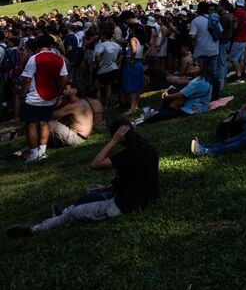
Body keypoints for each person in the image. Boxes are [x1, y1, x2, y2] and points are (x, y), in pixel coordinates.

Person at [6, 120, 159, 239]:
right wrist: (108, 187)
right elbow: (138, 178)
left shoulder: (127, 155)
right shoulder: (150, 151)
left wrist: (113, 142)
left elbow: (95, 164)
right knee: (93, 191)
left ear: (119, 137)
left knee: (74, 214)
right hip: (142, 198)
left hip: (124, 206)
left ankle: (34, 229)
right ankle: (65, 210)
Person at [20, 34, 68, 162]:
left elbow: (27, 78)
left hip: (34, 96)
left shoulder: (34, 59)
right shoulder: (59, 59)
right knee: (44, 123)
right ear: (51, 45)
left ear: (38, 46)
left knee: (31, 125)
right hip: (51, 96)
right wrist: (59, 93)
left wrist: (22, 93)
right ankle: (42, 151)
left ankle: (33, 154)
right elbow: (64, 78)